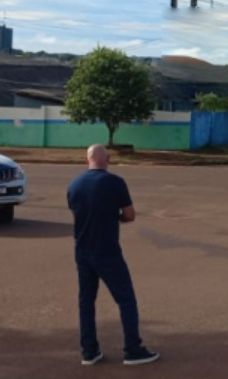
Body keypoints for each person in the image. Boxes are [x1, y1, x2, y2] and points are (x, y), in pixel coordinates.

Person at [66, 144, 159, 366]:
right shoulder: (115, 183)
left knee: (86, 301)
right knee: (126, 299)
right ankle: (133, 349)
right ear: (107, 159)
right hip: (107, 250)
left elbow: (79, 212)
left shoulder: (74, 185)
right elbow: (130, 215)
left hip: (82, 249)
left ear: (86, 160)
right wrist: (114, 216)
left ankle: (89, 351)